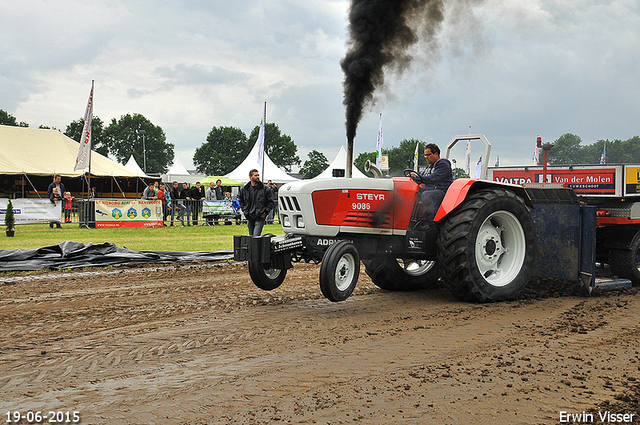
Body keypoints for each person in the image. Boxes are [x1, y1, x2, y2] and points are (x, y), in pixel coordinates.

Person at [417, 143, 454, 221]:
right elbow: (422, 177)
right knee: (413, 192)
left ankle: (430, 222)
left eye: (428, 155)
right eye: (425, 155)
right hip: (430, 190)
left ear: (436, 154)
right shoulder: (428, 167)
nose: (426, 157)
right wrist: (414, 177)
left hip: (441, 192)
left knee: (426, 195)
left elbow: (434, 178)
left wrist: (419, 178)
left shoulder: (443, 164)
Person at [238, 169, 274, 236]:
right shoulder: (244, 189)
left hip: (260, 216)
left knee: (256, 236)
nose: (258, 177)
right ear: (251, 177)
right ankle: (254, 246)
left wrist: (265, 213)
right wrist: (245, 211)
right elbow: (240, 200)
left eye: (258, 175)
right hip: (250, 216)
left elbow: (271, 202)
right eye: (255, 175)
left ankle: (256, 246)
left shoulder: (265, 189)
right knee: (251, 237)